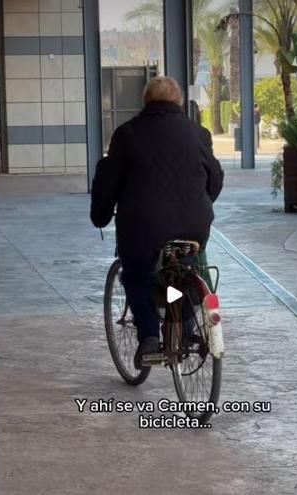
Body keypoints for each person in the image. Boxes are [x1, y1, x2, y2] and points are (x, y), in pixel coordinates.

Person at [90, 77, 224, 370]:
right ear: (178, 103)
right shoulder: (198, 133)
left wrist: (100, 214)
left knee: (137, 276)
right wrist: (200, 204)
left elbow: (108, 181)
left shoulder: (127, 134)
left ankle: (150, 337)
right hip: (193, 224)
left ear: (145, 101)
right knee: (182, 269)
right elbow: (215, 177)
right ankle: (187, 327)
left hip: (143, 225)